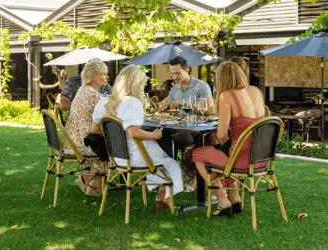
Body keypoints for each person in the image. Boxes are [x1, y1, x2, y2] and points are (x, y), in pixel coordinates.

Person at [92, 65, 184, 209]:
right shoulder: (132, 102)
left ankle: (162, 196)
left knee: (164, 153)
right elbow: (133, 132)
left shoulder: (104, 101)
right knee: (170, 159)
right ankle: (165, 197)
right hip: (135, 156)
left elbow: (94, 128)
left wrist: (113, 136)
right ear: (136, 84)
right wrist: (153, 135)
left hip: (117, 156)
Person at [192, 62, 266, 217]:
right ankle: (234, 197)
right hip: (261, 157)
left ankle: (222, 199)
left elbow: (221, 135)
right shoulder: (256, 91)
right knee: (220, 155)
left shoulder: (227, 96)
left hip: (241, 160)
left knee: (198, 154)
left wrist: (224, 142)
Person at [156, 56, 214, 191]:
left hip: (196, 130)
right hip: (179, 128)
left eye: (177, 73)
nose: (175, 76)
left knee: (167, 135)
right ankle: (170, 174)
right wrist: (163, 104)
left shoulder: (201, 86)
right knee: (160, 134)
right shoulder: (175, 88)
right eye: (172, 73)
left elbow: (209, 109)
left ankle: (180, 176)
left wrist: (183, 104)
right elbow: (168, 100)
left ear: (187, 69)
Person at [62, 59, 109, 196]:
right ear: (94, 77)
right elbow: (109, 116)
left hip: (72, 141)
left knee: (103, 141)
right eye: (104, 74)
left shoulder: (83, 89)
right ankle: (93, 183)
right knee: (111, 146)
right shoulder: (94, 95)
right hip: (82, 143)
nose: (106, 77)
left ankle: (88, 179)